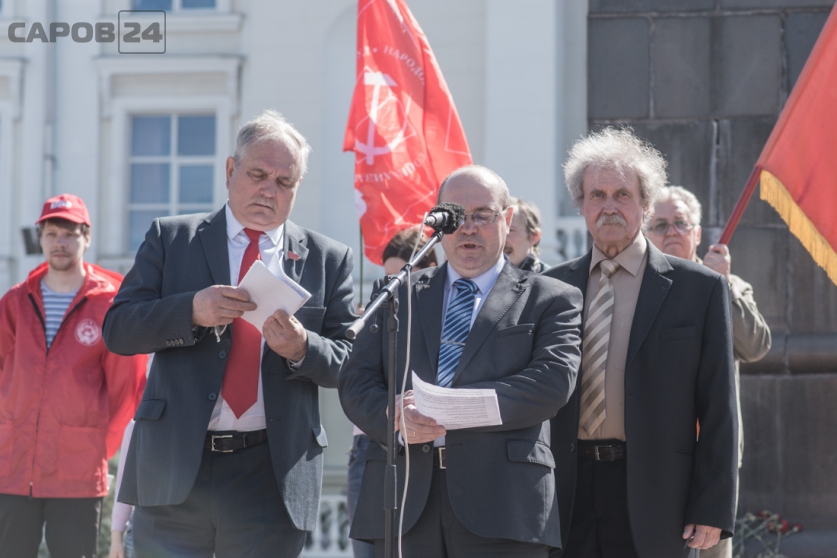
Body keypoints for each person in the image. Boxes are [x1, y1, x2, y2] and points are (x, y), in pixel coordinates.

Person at [102, 110, 357, 558]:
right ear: (229, 170)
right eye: (258, 174)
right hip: (175, 465)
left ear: (297, 187)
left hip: (271, 472)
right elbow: (119, 330)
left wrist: (303, 348)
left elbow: (352, 362)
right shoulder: (172, 238)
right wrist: (190, 311)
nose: (268, 190)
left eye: (284, 181)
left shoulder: (327, 259)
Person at [339, 165, 583, 557]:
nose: (468, 228)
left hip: (504, 506)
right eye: (455, 215)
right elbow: (356, 381)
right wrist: (394, 417)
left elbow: (551, 383)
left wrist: (450, 408)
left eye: (482, 215)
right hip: (405, 504)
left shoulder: (551, 298)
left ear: (507, 219)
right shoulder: (398, 293)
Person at [544, 128, 739, 557]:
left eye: (622, 195)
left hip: (658, 496)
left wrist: (712, 506)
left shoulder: (699, 289)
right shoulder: (551, 288)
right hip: (566, 492)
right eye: (597, 195)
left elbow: (719, 407)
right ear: (581, 205)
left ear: (645, 204)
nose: (609, 207)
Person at [0, 194, 147, 558]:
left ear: (87, 237)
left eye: (69, 233)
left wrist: (95, 448)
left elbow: (126, 391)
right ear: (41, 238)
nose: (60, 242)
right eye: (52, 234)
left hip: (77, 473)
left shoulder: (110, 305)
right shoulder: (15, 302)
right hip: (13, 467)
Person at [646, 185, 771, 558]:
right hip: (650, 452)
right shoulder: (634, 289)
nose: (671, 231)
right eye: (660, 224)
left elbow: (755, 346)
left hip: (711, 454)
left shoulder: (729, 284)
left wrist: (724, 287)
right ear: (645, 234)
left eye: (681, 223)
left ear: (698, 233)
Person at [347, 227, 437, 558]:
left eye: (401, 277)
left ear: (429, 269)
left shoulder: (440, 315)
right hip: (368, 446)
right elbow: (355, 381)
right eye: (387, 279)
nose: (392, 288)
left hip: (418, 449)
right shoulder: (376, 312)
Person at [505, 196, 549, 272]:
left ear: (534, 236)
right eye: (499, 231)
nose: (501, 239)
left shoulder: (553, 277)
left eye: (510, 230)